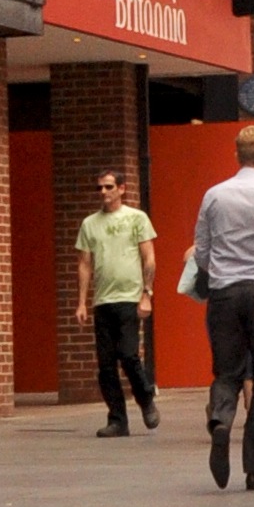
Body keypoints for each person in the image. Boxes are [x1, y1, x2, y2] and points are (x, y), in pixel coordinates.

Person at [195, 125, 254, 491]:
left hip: (225, 294)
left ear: (236, 155)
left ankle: (220, 419)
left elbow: (202, 250)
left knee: (227, 372)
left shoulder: (215, 195)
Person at [75, 170, 159, 437]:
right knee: (106, 363)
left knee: (129, 354)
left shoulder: (136, 218)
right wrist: (82, 302)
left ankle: (145, 398)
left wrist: (147, 293)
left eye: (109, 187)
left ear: (122, 189)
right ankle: (117, 418)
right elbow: (84, 264)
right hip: (103, 299)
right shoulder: (90, 224)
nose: (103, 192)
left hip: (129, 297)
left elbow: (149, 258)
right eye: (99, 188)